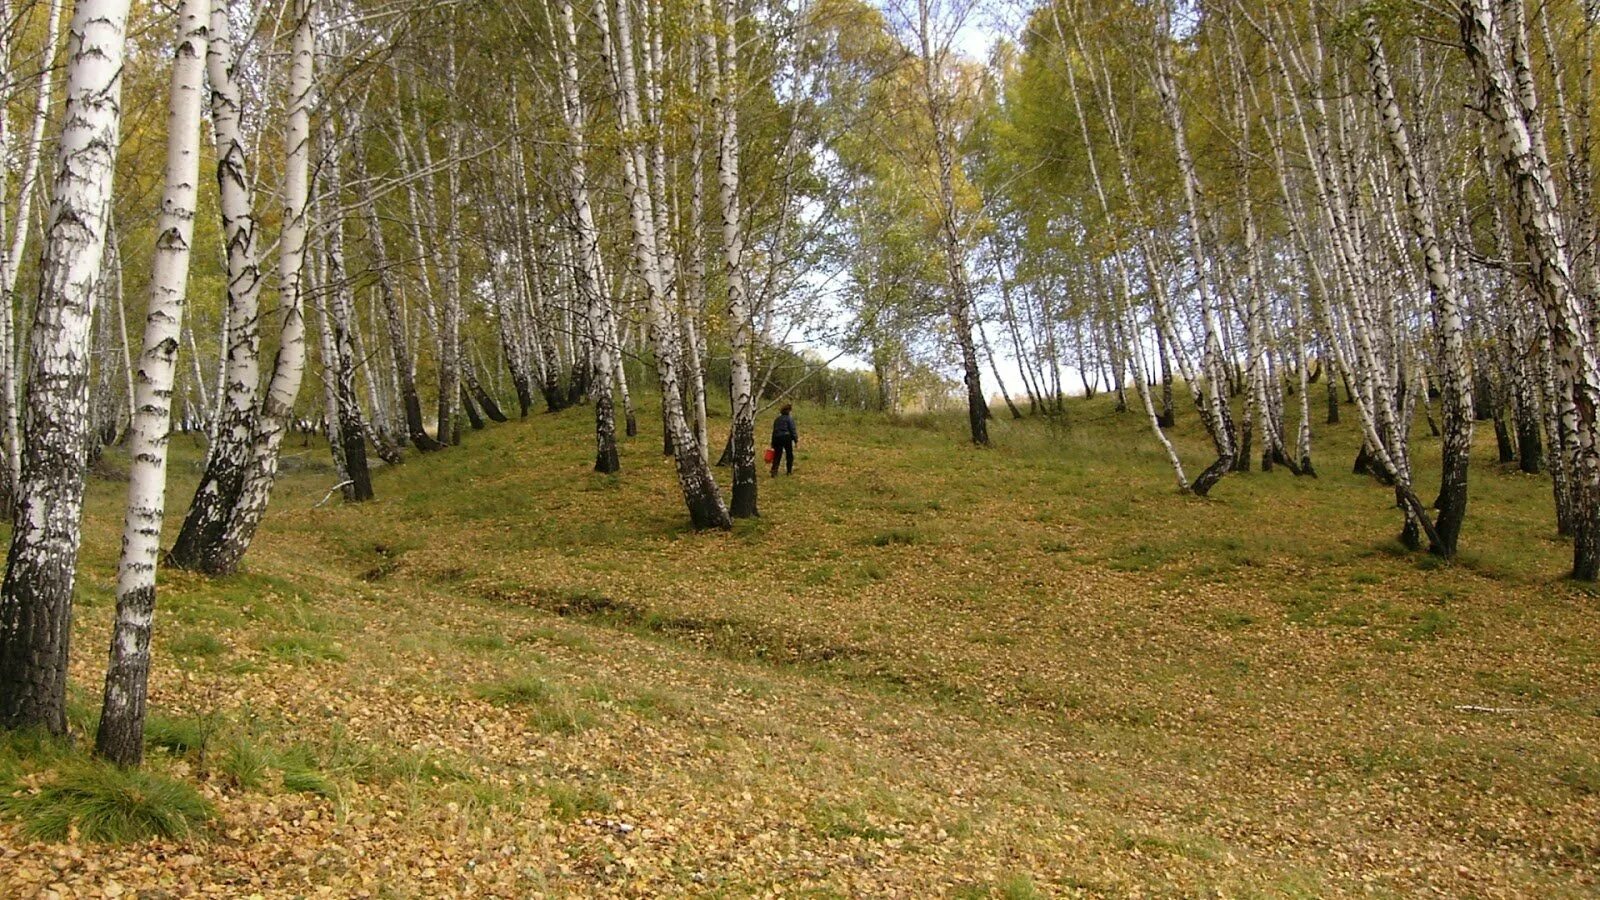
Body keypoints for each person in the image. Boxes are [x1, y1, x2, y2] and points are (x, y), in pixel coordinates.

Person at [770, 404, 798, 476]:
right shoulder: (789, 419)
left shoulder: (777, 419)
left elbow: (774, 431)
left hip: (777, 438)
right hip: (786, 437)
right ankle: (789, 471)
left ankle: (774, 471)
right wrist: (795, 439)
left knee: (777, 455)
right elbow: (792, 429)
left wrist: (773, 442)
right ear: (789, 411)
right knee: (789, 454)